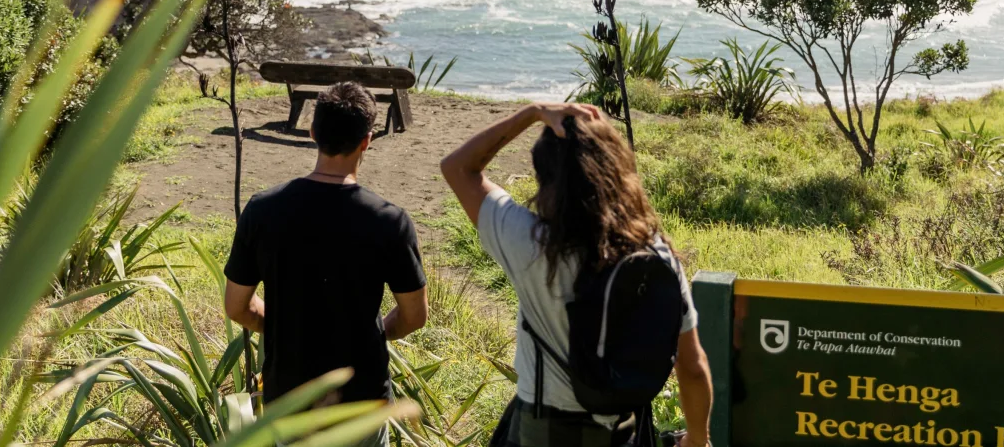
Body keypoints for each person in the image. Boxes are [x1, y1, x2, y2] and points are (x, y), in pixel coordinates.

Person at [441, 103, 712, 447]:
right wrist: (698, 439)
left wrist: (532, 113)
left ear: (545, 181)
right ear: (619, 172)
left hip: (544, 430)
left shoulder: (529, 243)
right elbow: (692, 365)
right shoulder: (655, 254)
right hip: (622, 431)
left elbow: (458, 168)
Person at [224, 82, 428, 445]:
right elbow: (414, 315)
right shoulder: (389, 220)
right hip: (361, 400)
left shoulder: (263, 210)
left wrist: (287, 327)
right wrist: (374, 332)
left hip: (288, 397)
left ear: (313, 131)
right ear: (367, 140)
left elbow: (237, 306)